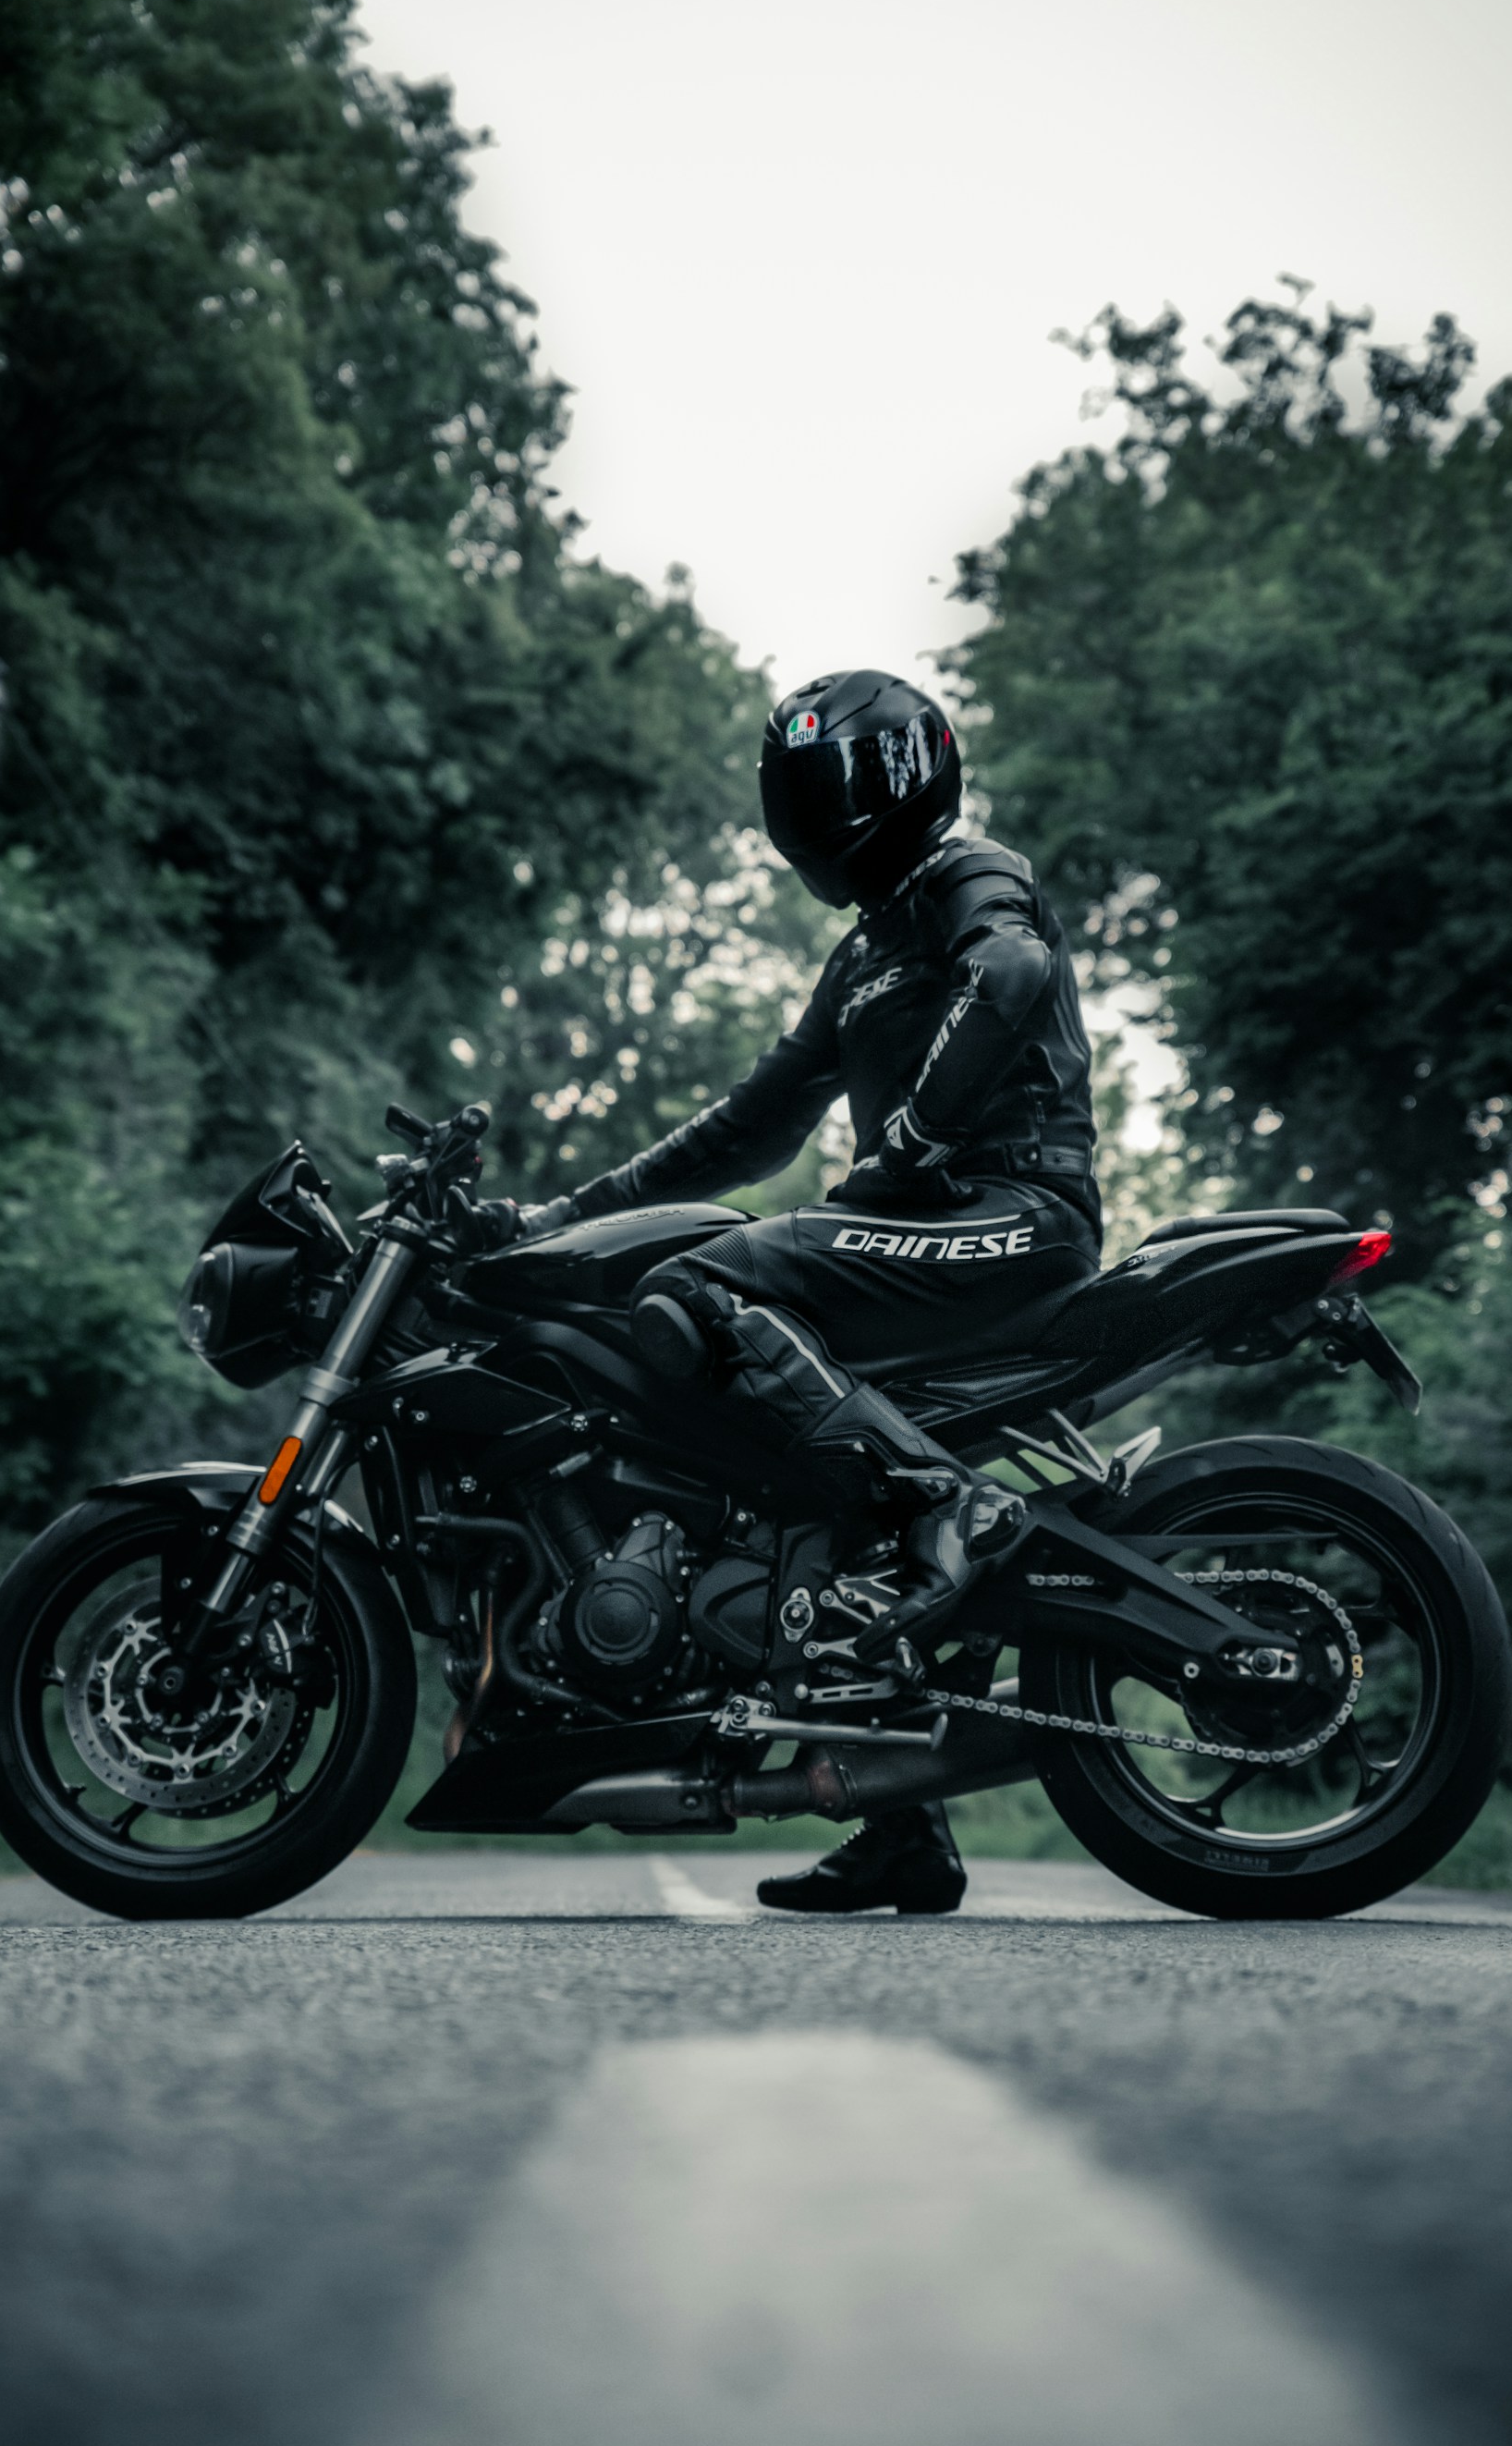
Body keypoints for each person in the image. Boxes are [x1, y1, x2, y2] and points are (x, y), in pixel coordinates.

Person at [471, 670, 1102, 1914]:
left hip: (1013, 1221)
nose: (816, 810)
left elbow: (1012, 973)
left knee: (700, 1281)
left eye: (835, 783)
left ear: (911, 773)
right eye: (798, 787)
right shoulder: (864, 955)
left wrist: (918, 1131)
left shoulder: (969, 877)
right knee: (791, 1482)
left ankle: (946, 1506)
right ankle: (899, 1830)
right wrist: (554, 1218)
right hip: (930, 1234)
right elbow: (746, 1127)